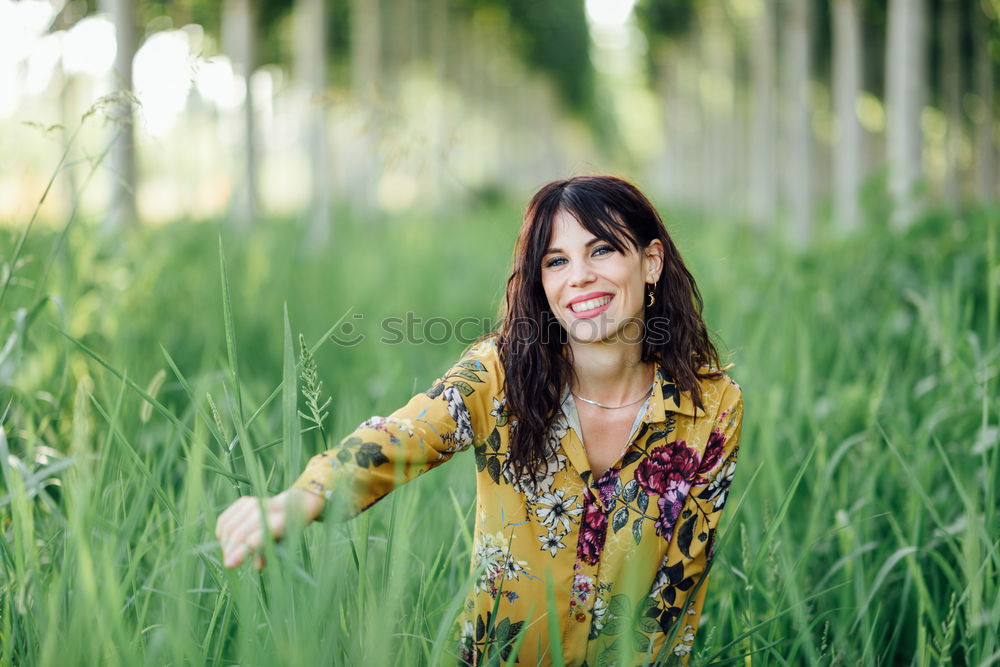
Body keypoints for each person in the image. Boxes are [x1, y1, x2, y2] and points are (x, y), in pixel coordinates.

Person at [215, 175, 744, 665]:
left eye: (601, 250)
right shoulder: (498, 373)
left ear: (650, 262)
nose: (580, 277)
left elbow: (678, 585)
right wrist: (305, 495)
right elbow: (404, 435)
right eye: (555, 261)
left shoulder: (712, 406)